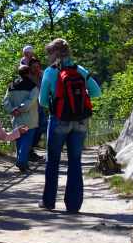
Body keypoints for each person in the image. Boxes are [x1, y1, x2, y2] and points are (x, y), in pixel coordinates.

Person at [36, 38, 102, 213]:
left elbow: (42, 101)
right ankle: (73, 205)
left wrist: (57, 100)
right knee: (75, 161)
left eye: (48, 53)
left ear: (53, 53)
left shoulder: (50, 72)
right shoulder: (79, 70)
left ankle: (48, 202)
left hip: (58, 120)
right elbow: (97, 92)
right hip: (80, 121)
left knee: (53, 162)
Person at [2, 63, 40, 173]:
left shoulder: (11, 86)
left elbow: (5, 101)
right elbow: (31, 101)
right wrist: (20, 109)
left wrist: (13, 110)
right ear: (28, 73)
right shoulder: (33, 86)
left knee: (19, 140)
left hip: (16, 118)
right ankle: (22, 162)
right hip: (29, 118)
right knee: (27, 141)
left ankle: (22, 161)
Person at [27, 57, 46, 161]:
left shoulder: (42, 76)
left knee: (41, 127)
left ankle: (31, 149)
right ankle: (29, 151)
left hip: (40, 105)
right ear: (30, 68)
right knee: (32, 128)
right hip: (30, 106)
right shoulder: (27, 77)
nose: (36, 69)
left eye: (38, 67)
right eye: (34, 67)